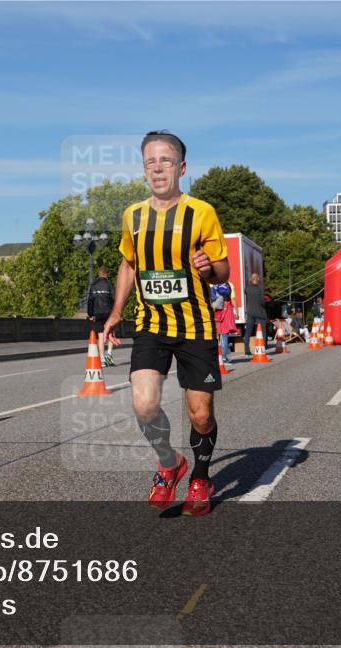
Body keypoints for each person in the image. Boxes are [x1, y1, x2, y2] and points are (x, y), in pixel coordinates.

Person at [103, 130, 228, 517]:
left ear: (182, 167)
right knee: (143, 407)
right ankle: (171, 463)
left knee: (201, 414)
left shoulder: (202, 212)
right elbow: (129, 264)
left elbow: (222, 269)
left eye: (166, 161)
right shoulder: (133, 216)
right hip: (151, 324)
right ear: (144, 170)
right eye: (150, 162)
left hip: (195, 327)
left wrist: (210, 268)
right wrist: (115, 312)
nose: (158, 168)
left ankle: (201, 477)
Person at [87, 265, 116, 366]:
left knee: (100, 335)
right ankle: (109, 353)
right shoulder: (109, 284)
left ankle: (102, 359)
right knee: (110, 333)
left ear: (99, 274)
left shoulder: (93, 285)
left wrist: (90, 314)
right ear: (106, 274)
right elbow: (114, 298)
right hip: (108, 313)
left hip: (97, 313)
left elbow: (90, 300)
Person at [243, 273, 267, 356]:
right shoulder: (260, 288)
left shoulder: (247, 288)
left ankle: (247, 350)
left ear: (251, 279)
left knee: (248, 332)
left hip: (250, 312)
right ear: (258, 279)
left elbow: (247, 294)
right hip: (259, 313)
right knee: (263, 331)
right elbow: (262, 302)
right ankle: (263, 347)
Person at [214, 283, 238, 362]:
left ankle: (215, 357)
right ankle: (223, 357)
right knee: (224, 334)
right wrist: (236, 312)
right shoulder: (230, 284)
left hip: (216, 310)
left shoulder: (213, 284)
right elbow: (233, 299)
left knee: (215, 335)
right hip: (226, 309)